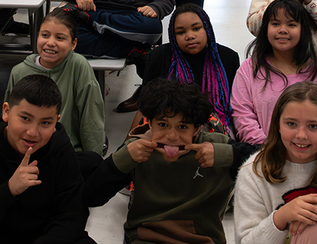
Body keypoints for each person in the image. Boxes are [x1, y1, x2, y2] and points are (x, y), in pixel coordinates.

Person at [84, 79, 241, 244]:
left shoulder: (217, 147)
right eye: (163, 124)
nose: (171, 136)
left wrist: (228, 154)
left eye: (182, 127)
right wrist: (122, 160)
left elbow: (266, 159)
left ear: (196, 128)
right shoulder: (137, 149)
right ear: (150, 124)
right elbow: (92, 196)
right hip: (145, 238)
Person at [0, 75, 96, 244]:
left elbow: (72, 216)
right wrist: (8, 190)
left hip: (43, 237)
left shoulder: (61, 149)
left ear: (56, 123)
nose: (32, 132)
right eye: (25, 118)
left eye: (45, 123)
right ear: (6, 112)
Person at [234, 82, 317, 244]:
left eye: (313, 126)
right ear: (278, 124)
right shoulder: (253, 171)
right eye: (291, 124)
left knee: (316, 229)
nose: (301, 135)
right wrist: (281, 217)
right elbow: (245, 241)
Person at [232, 0, 317, 145]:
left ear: (302, 30)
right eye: (275, 24)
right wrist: (270, 149)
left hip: (309, 152)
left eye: (291, 24)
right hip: (263, 154)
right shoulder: (249, 70)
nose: (283, 30)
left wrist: (309, 146)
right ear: (265, 29)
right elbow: (242, 115)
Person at [4, 8, 105, 159]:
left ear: (73, 44)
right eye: (45, 35)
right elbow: (9, 118)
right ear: (37, 36)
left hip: (68, 153)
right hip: (28, 152)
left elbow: (91, 117)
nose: (50, 43)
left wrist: (93, 159)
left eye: (60, 38)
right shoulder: (18, 72)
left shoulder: (78, 66)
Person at [121, 3, 240, 119]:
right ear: (173, 36)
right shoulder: (159, 57)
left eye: (196, 28)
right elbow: (144, 107)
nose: (190, 36)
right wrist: (130, 138)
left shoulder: (228, 58)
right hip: (169, 126)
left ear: (207, 29)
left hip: (216, 127)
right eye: (181, 32)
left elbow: (237, 107)